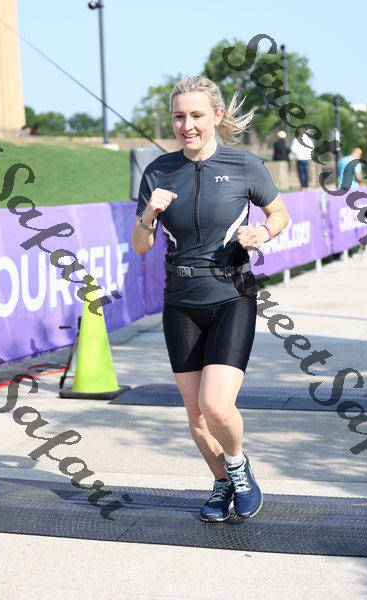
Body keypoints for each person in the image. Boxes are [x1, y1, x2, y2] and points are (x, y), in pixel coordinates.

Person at [132, 76, 290, 522]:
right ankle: (221, 482)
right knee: (196, 415)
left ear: (217, 116)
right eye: (179, 116)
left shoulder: (245, 165)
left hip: (231, 296)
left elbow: (279, 213)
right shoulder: (159, 171)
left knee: (216, 405)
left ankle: (238, 466)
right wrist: (149, 213)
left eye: (197, 115)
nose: (187, 125)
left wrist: (264, 231)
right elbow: (141, 246)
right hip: (181, 302)